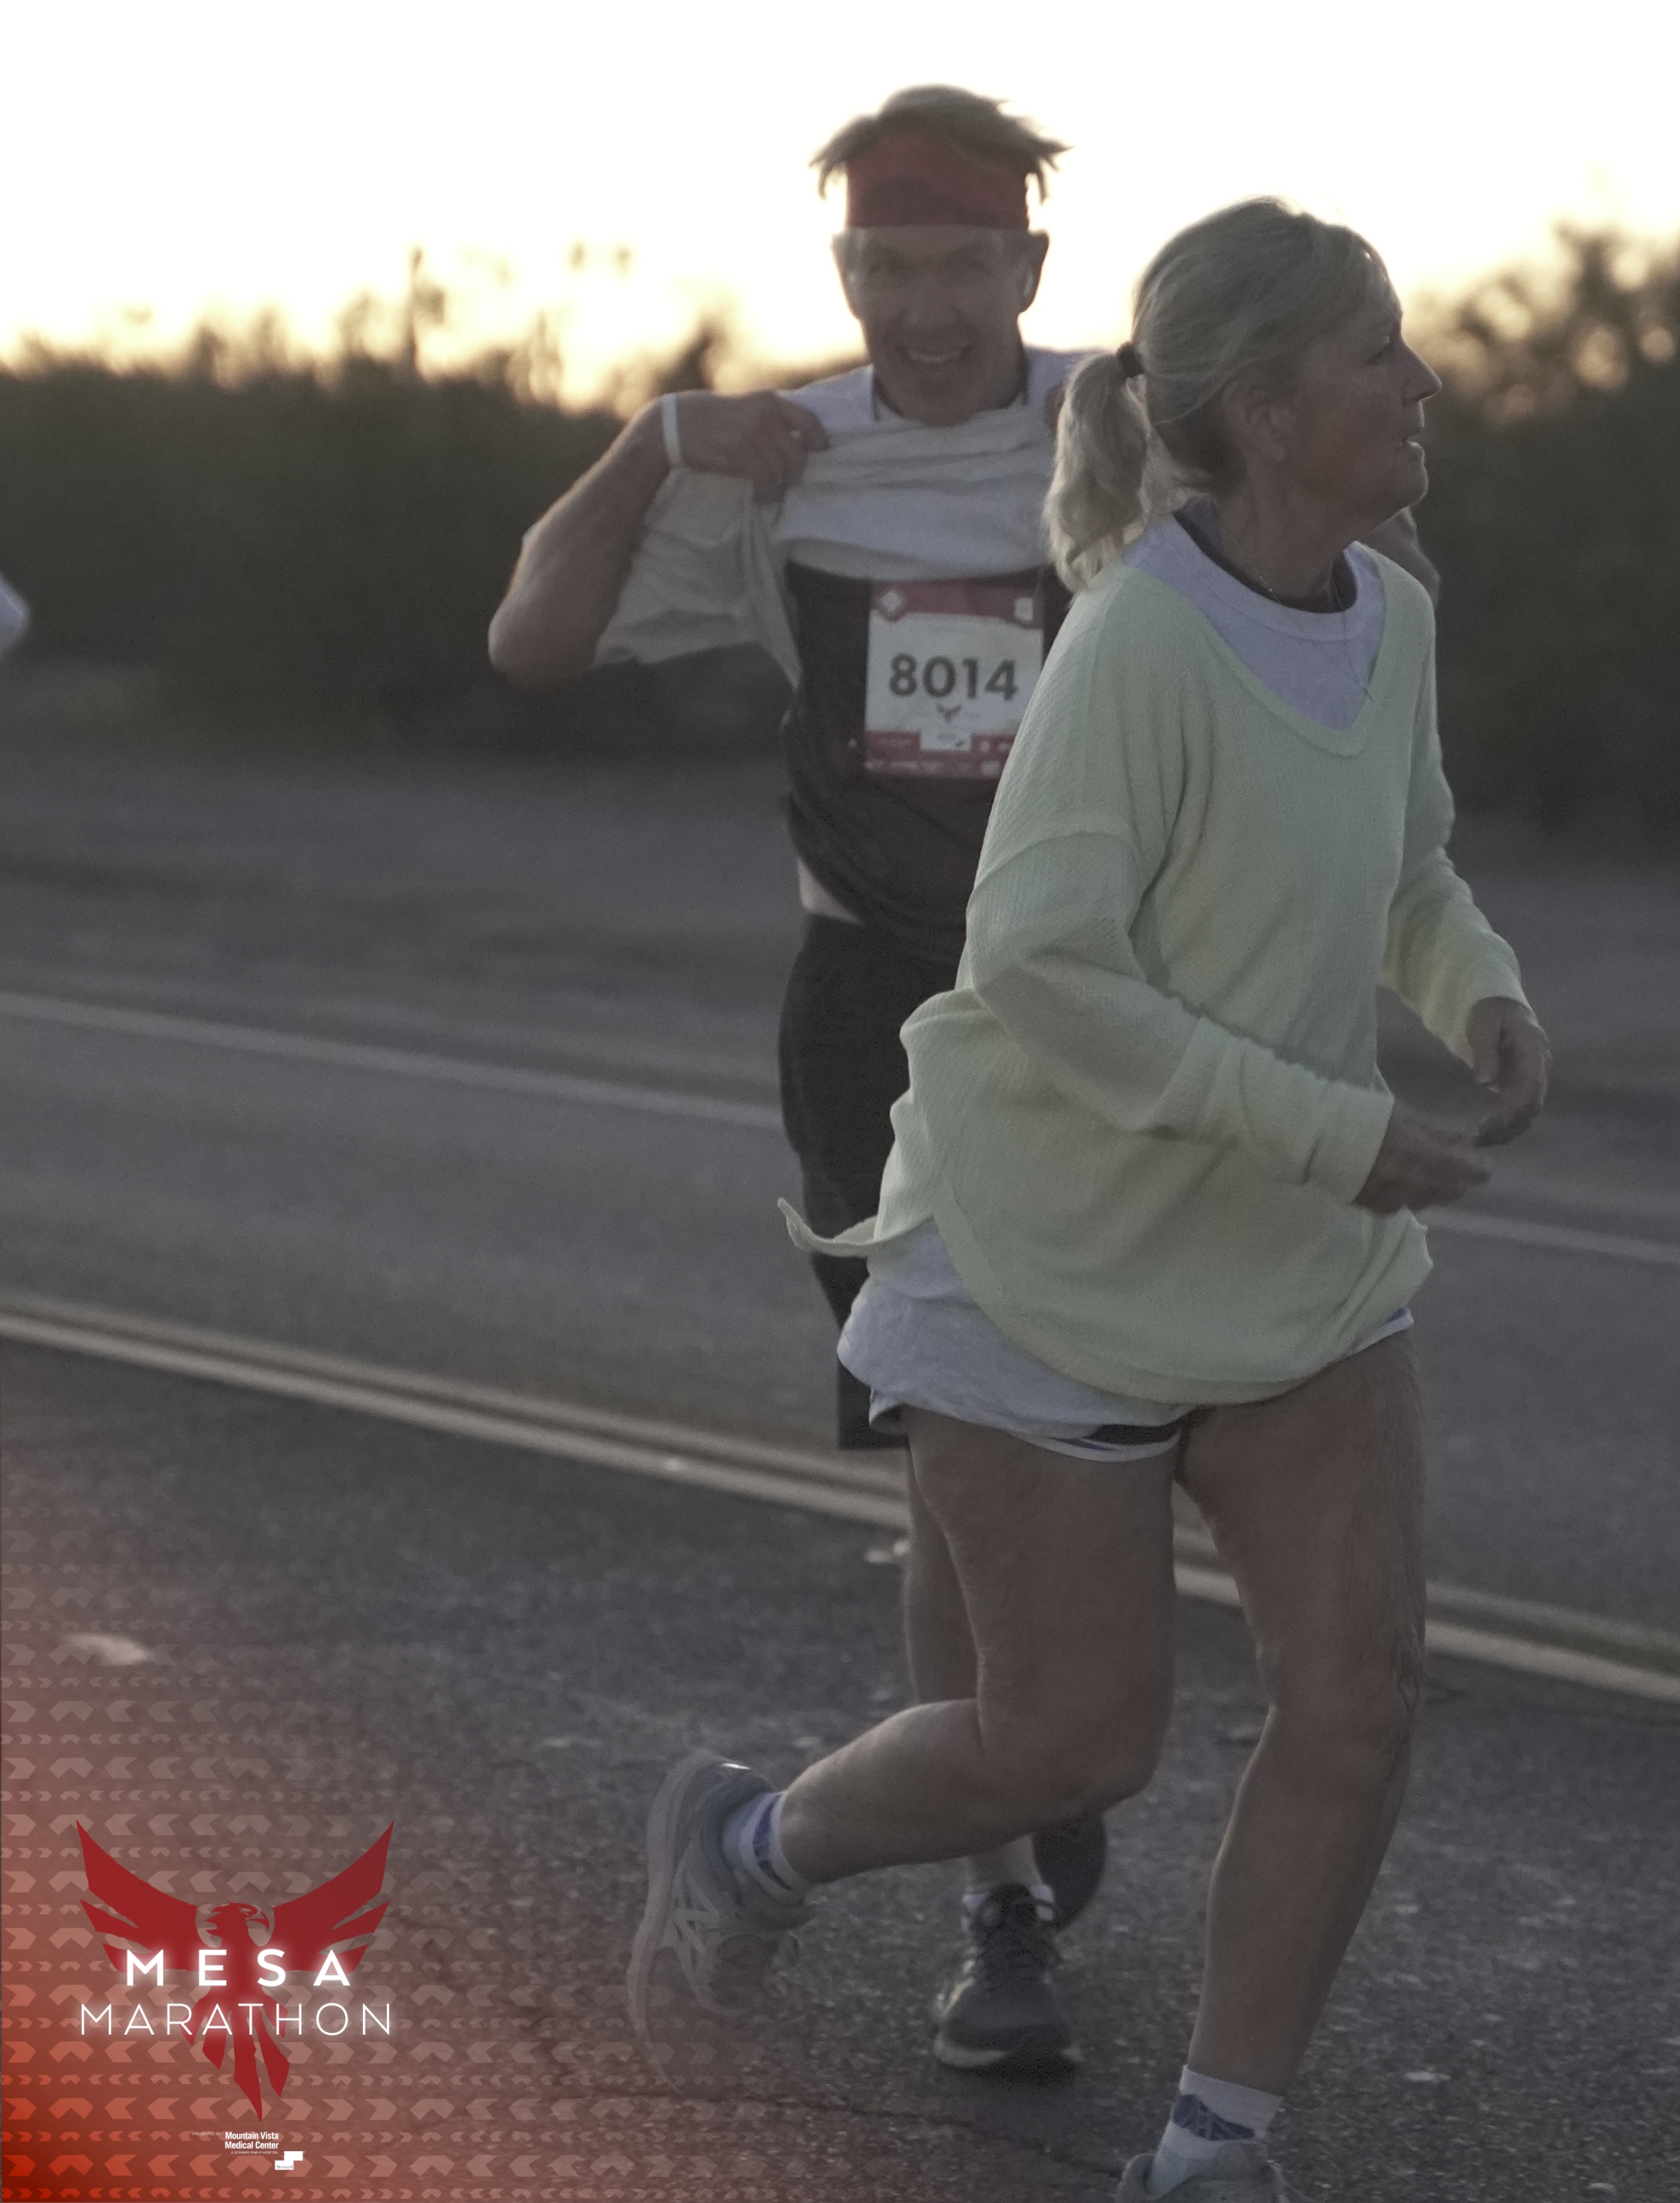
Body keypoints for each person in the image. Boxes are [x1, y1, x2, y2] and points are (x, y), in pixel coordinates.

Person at [493, 102, 1436, 2076]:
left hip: (1151, 1011)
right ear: (843, 274)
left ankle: (1014, 1761)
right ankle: (998, 1899)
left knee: (1110, 1509)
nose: (922, 310)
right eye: (883, 271)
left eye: (959, 267)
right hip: (887, 1005)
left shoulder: (1130, 423)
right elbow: (533, 639)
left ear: (1029, 265)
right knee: (954, 1472)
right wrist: (656, 439)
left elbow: (1356, 582)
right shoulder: (788, 458)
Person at [626, 196, 1552, 2200]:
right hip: (1045, 1251)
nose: (1417, 383)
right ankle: (747, 1847)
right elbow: (1041, 963)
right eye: (1377, 352)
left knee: (1360, 1696)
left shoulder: (1387, 612)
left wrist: (1477, 991)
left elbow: (1406, 865)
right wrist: (1320, 1124)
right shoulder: (1138, 638)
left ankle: (1213, 2146)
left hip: (1285, 1260)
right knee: (1064, 1742)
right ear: (1264, 409)